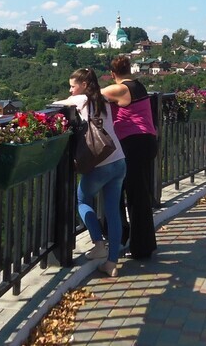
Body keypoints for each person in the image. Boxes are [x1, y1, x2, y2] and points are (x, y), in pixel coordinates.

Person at [54, 68, 126, 277]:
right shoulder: (103, 98)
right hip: (119, 159)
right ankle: (112, 263)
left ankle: (98, 243)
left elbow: (56, 106)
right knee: (113, 212)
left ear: (84, 85)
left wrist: (67, 99)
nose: (70, 89)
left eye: (73, 85)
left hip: (100, 163)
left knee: (82, 200)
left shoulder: (81, 100)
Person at [101, 55, 158, 260]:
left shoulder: (120, 88)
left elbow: (91, 96)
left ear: (113, 73)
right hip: (145, 142)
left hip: (133, 144)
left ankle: (128, 241)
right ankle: (141, 244)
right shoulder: (138, 86)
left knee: (123, 192)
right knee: (137, 194)